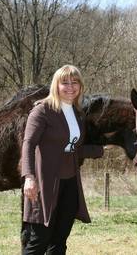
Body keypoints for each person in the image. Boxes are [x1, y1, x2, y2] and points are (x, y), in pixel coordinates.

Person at [21, 65, 105, 254]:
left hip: (70, 185)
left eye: (74, 82)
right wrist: (29, 177)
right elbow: (28, 144)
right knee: (39, 242)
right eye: (64, 82)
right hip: (45, 184)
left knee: (59, 242)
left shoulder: (78, 114)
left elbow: (70, 148)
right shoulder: (42, 111)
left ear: (80, 86)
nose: (70, 87)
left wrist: (99, 150)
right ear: (55, 85)